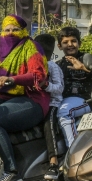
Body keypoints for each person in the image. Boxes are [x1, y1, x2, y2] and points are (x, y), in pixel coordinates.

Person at [0, 15, 51, 181]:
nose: (11, 33)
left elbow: (38, 75)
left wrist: (14, 80)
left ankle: (11, 171)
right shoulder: (1, 51)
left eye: (15, 29)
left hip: (32, 99)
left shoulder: (31, 47)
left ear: (23, 31)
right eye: (7, 30)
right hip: (7, 97)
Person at [55, 26, 92, 147]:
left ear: (79, 43)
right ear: (59, 46)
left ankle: (73, 150)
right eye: (65, 42)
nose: (70, 44)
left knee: (65, 111)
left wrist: (84, 68)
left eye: (73, 41)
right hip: (63, 101)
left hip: (85, 100)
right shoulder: (58, 65)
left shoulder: (86, 58)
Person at [33, 32, 65, 170]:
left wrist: (46, 86)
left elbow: (59, 88)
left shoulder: (53, 67)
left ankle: (53, 161)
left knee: (48, 123)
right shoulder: (32, 66)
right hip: (37, 102)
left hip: (53, 103)